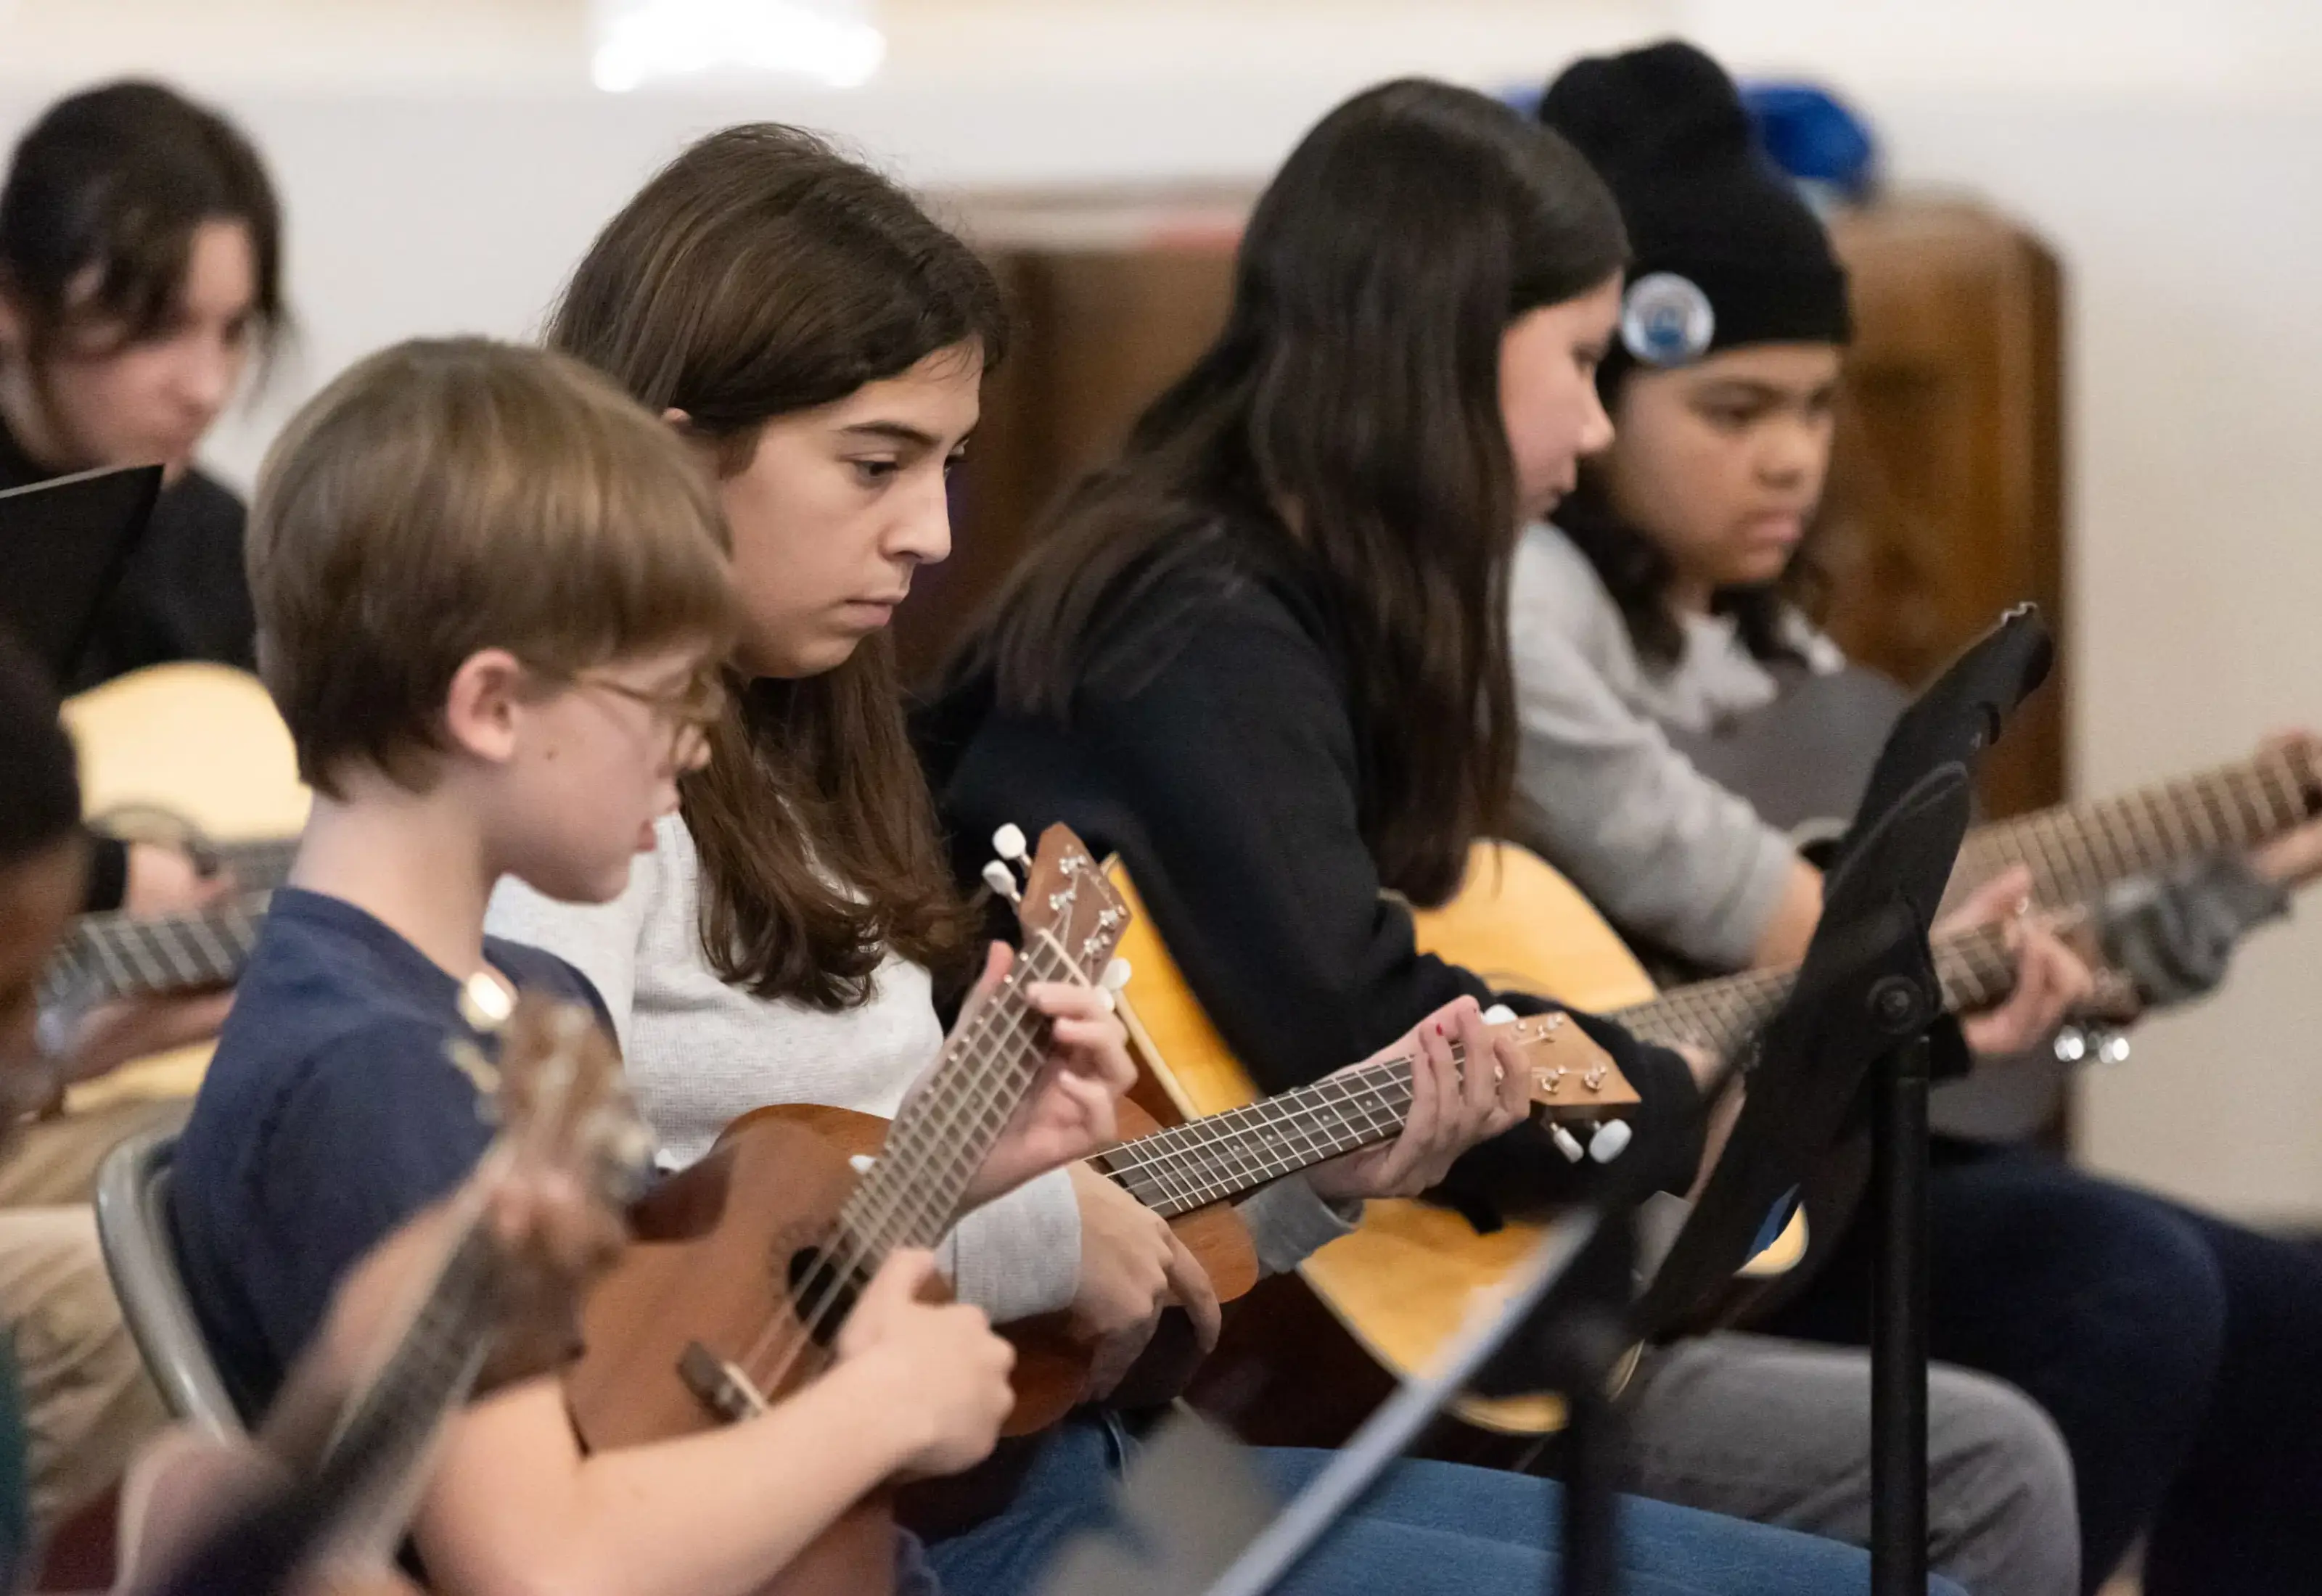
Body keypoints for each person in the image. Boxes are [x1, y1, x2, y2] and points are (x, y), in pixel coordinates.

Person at [486, 113, 1915, 1595]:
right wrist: (1043, 1234)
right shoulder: (571, 808)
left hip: (1057, 1470)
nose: (928, 530)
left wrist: (1321, 1178)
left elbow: (938, 1209)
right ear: (667, 459)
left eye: (949, 463)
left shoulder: (808, 764)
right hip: (905, 1535)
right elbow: (616, 1253)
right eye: (874, 464)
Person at [1508, 38, 2322, 1594]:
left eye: (1816, 406)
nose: (1791, 455)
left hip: (1848, 1151)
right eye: (1734, 406)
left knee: (2285, 1309)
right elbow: (1852, 959)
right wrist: (1917, 951)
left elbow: (1981, 1037)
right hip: (1692, 1202)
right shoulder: (1531, 642)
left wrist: (2226, 891)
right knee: (2126, 1285)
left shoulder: (1802, 677)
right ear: (1598, 399)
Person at [168, 337, 1120, 1596]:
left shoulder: (518, 999)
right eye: (669, 696)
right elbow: (544, 1562)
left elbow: (652, 1383)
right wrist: (879, 1414)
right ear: (494, 706)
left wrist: (952, 1169)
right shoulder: (376, 1082)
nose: (697, 748)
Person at [0, 78, 281, 694]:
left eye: (233, 331)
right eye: (157, 329)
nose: (208, 389)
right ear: (14, 302)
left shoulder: (223, 548)